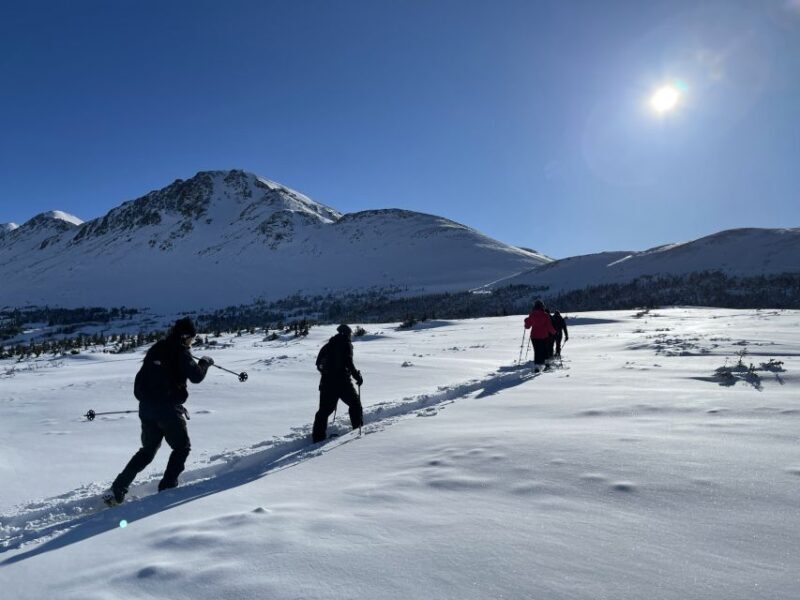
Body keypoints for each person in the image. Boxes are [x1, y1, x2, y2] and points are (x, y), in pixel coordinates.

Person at [105, 317, 213, 505]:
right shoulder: (181, 352)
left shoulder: (157, 348)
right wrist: (205, 363)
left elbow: (140, 380)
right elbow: (196, 376)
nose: (191, 343)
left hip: (146, 409)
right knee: (181, 447)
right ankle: (167, 487)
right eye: (192, 339)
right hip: (168, 410)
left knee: (147, 451)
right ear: (185, 337)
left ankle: (117, 489)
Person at [312, 324, 364, 442]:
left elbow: (318, 364)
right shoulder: (346, 344)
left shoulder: (327, 346)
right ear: (346, 334)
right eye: (350, 334)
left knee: (324, 411)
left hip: (326, 383)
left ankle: (317, 437)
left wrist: (326, 374)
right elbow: (349, 363)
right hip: (342, 382)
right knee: (355, 404)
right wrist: (358, 377)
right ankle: (357, 429)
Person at [524, 300, 556, 373]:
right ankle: (547, 364)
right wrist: (554, 332)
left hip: (534, 336)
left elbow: (527, 326)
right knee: (545, 349)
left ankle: (537, 366)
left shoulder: (532, 315)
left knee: (537, 350)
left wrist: (526, 321)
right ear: (542, 306)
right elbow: (549, 326)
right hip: (544, 336)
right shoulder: (545, 315)